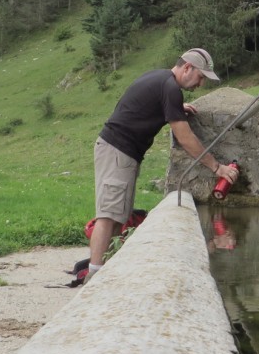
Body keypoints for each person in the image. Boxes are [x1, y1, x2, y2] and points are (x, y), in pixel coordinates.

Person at [85, 48, 239, 284]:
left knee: (117, 216)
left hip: (120, 152)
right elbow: (186, 139)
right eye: (200, 77)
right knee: (108, 216)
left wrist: (175, 109)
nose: (200, 84)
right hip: (117, 151)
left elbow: (143, 105)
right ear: (187, 67)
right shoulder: (169, 88)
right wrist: (217, 168)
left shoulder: (160, 79)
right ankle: (94, 277)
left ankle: (104, 269)